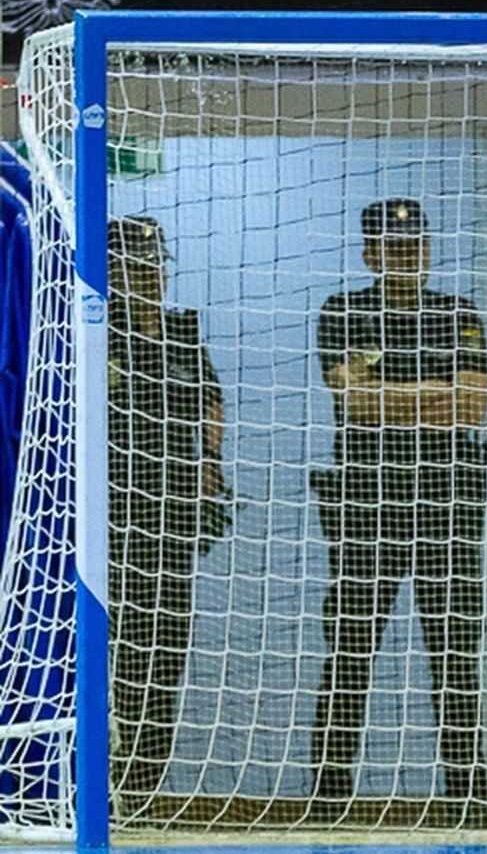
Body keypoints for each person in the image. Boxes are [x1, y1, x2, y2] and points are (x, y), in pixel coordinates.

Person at [311, 198, 487, 811]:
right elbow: (353, 403)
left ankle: (469, 799)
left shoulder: (457, 313)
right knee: (350, 647)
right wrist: (430, 394)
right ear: (370, 254)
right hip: (366, 501)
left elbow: (471, 406)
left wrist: (391, 395)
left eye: (414, 246)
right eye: (392, 247)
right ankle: (328, 799)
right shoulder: (343, 312)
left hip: (447, 500)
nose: (406, 257)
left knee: (455, 650)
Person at [106, 216, 227, 806]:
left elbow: (211, 403)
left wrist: (209, 471)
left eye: (154, 264)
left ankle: (143, 787)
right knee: (118, 649)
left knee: (165, 649)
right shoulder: (97, 332)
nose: (148, 276)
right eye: (133, 265)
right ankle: (106, 781)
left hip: (174, 517)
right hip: (114, 517)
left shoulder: (183, 333)